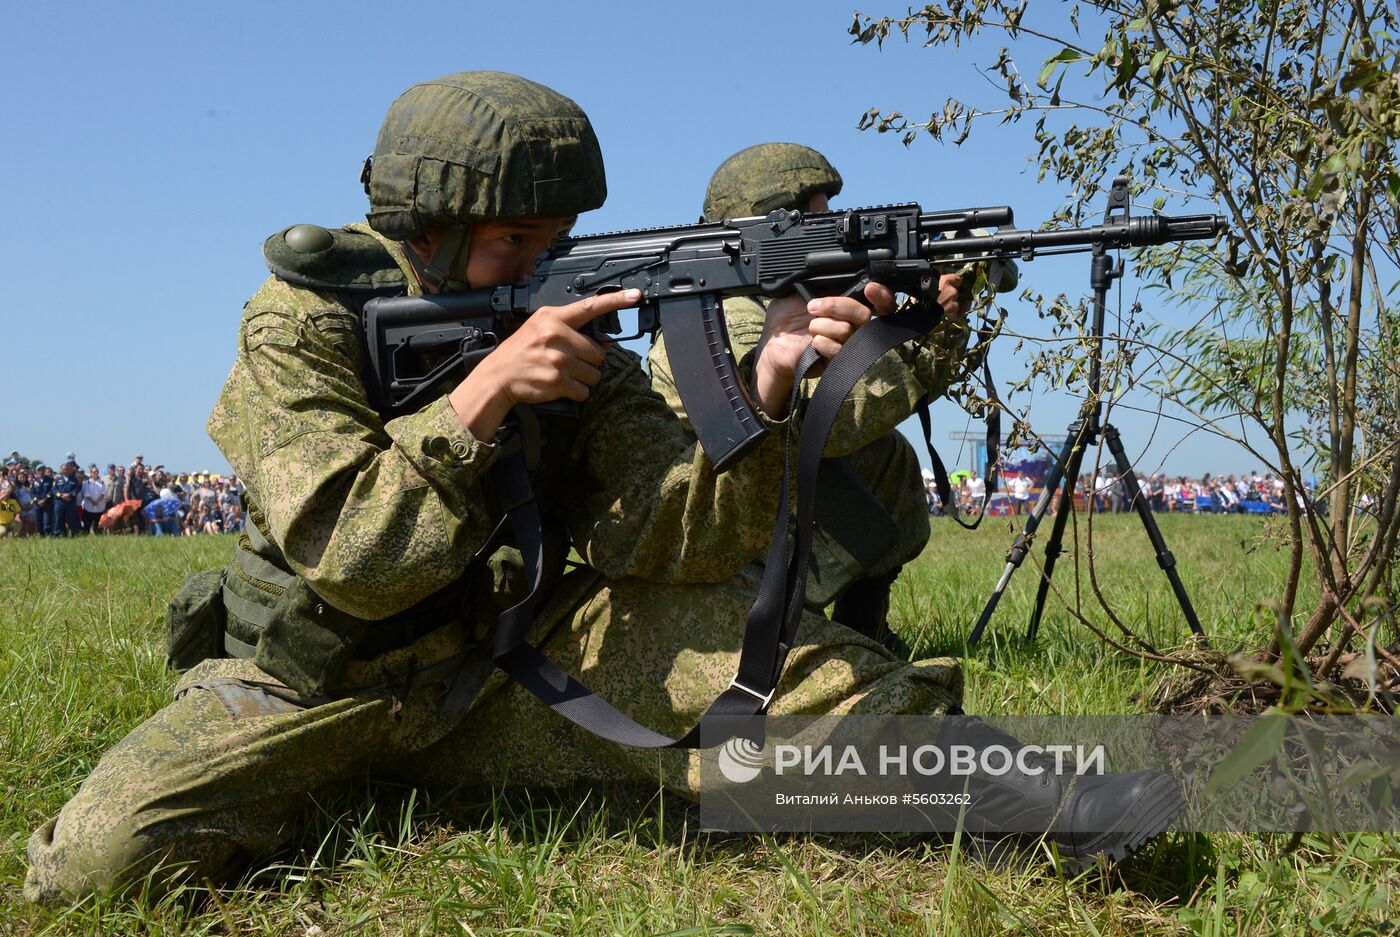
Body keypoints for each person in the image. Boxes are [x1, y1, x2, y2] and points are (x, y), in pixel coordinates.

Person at [25, 72, 1178, 904]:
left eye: (558, 242)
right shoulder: (304, 324)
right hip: (305, 682)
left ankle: (1043, 805)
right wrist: (480, 401)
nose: (542, 272)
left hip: (496, 668)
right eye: (515, 245)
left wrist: (771, 389)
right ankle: (330, 784)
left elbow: (671, 540)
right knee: (93, 866)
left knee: (772, 662)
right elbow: (354, 556)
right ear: (426, 230)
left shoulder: (574, 351)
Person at [647, 142, 1000, 654]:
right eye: (815, 225)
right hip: (715, 524)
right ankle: (792, 637)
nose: (833, 232)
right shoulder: (723, 320)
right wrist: (930, 335)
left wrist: (923, 312)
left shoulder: (791, 304)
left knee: (888, 459)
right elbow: (830, 420)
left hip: (764, 501)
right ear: (765, 228)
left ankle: (863, 633)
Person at [80, 465, 108, 534]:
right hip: (89, 506)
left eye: (97, 472)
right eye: (94, 472)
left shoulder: (101, 483)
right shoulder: (86, 483)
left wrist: (97, 501)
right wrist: (93, 501)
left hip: (99, 507)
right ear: (90, 473)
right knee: (87, 524)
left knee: (98, 524)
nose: (95, 473)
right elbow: (86, 494)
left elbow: (103, 493)